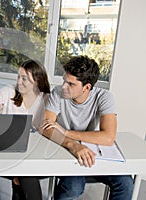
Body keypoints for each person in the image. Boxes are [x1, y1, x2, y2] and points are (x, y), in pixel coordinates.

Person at [41, 55, 134, 200]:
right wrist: (72, 144)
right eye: (64, 81)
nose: (64, 87)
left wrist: (65, 131)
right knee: (73, 187)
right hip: (66, 150)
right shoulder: (58, 93)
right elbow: (46, 127)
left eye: (70, 84)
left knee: (126, 183)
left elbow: (108, 137)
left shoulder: (104, 97)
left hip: (95, 151)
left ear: (87, 87)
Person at [0, 59, 51, 200]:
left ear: (37, 81)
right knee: (26, 175)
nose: (19, 81)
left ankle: (18, 178)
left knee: (23, 175)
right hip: (5, 153)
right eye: (18, 77)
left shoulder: (46, 99)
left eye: (24, 78)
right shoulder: (8, 91)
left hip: (34, 154)